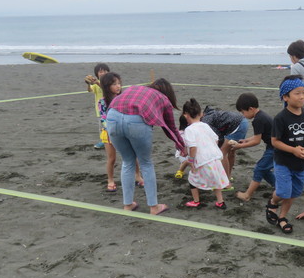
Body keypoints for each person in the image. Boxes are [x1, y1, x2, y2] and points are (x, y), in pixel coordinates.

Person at [106, 78, 185, 215]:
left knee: (127, 162)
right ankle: (154, 207)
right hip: (136, 121)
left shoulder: (133, 87)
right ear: (167, 92)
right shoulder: (163, 98)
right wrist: (181, 145)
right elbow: (171, 127)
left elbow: (115, 103)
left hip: (112, 117)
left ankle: (128, 204)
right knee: (146, 163)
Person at [265, 75, 304, 234]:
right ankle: (272, 202)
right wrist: (294, 150)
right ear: (285, 97)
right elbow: (275, 141)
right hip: (283, 162)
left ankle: (282, 217)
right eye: (297, 93)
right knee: (282, 191)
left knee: (294, 192)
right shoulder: (281, 118)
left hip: (301, 163)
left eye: (303, 92)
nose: (302, 96)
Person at [98, 72, 144, 193]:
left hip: (125, 130)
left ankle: (137, 176)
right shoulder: (102, 102)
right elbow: (103, 119)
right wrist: (114, 127)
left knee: (132, 155)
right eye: (114, 84)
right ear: (107, 86)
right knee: (111, 158)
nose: (118, 86)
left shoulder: (124, 98)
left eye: (119, 83)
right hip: (109, 132)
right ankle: (110, 180)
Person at [181, 98, 229, 209]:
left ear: (186, 115)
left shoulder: (189, 130)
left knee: (192, 179)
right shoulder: (205, 125)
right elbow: (216, 139)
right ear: (200, 114)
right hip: (215, 157)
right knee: (216, 180)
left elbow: (193, 147)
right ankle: (220, 202)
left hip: (203, 160)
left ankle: (196, 201)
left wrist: (191, 161)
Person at [232, 93, 275, 202]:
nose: (243, 115)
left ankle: (247, 195)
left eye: (243, 112)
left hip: (275, 149)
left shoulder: (258, 120)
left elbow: (256, 141)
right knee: (264, 169)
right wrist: (246, 140)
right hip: (275, 147)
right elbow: (257, 136)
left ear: (250, 109)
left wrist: (240, 146)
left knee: (259, 168)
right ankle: (278, 186)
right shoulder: (262, 115)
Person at [201, 106, 248, 185]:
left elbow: (217, 136)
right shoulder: (211, 113)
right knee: (231, 152)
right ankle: (228, 176)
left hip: (236, 126)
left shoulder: (205, 121)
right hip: (243, 121)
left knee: (222, 153)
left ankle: (226, 183)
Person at [85, 63, 111, 148]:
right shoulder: (96, 83)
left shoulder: (110, 82)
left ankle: (111, 140)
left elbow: (106, 89)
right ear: (97, 73)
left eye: (104, 71)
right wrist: (88, 84)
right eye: (100, 72)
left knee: (111, 124)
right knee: (102, 126)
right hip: (100, 109)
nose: (103, 73)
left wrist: (96, 82)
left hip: (110, 108)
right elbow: (89, 90)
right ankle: (103, 141)